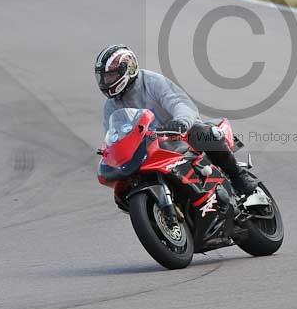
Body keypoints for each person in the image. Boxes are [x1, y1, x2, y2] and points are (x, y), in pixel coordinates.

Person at [95, 44, 259, 195]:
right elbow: (113, 135)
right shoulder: (111, 106)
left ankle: (238, 175)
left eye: (110, 76)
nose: (105, 82)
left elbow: (178, 102)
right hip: (147, 149)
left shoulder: (152, 82)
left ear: (128, 69)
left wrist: (181, 121)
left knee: (202, 133)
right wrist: (111, 153)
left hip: (177, 134)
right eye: (102, 78)